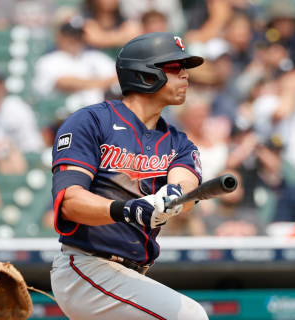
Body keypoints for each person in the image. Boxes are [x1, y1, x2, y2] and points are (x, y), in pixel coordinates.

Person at [50, 32, 208, 319]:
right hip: (86, 266)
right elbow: (69, 203)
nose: (185, 75)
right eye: (175, 67)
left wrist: (171, 196)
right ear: (144, 74)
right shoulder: (92, 121)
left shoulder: (179, 142)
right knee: (189, 316)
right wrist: (128, 210)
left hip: (131, 276)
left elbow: (185, 184)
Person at [33, 17, 117, 106]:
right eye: (70, 36)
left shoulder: (94, 57)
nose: (75, 40)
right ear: (60, 37)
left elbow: (118, 77)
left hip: (95, 111)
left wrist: (89, 83)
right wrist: (103, 83)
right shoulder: (48, 61)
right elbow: (65, 84)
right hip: (60, 113)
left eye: (78, 36)